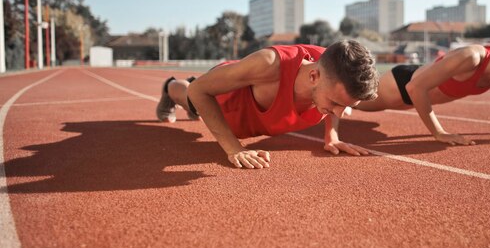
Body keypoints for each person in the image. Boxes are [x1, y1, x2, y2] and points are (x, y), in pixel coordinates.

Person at [156, 40, 379, 169]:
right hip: (226, 103)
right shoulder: (268, 64)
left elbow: (338, 96)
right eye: (335, 103)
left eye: (348, 105)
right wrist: (234, 148)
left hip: (259, 117)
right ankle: (170, 86)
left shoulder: (331, 70)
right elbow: (199, 91)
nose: (342, 112)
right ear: (313, 77)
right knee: (189, 95)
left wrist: (332, 136)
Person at [332, 44, 490, 146]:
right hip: (402, 86)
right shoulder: (472, 58)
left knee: (350, 102)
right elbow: (415, 88)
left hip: (419, 91)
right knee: (347, 99)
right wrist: (439, 133)